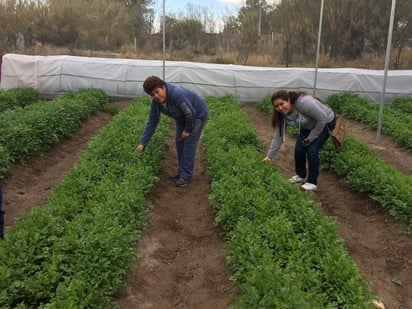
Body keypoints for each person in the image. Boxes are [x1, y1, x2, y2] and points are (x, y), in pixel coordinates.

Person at [136, 76, 208, 187]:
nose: (156, 96)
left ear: (163, 87)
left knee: (189, 143)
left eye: (157, 92)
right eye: (152, 95)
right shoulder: (156, 103)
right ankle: (181, 172)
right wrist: (143, 142)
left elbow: (191, 113)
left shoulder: (176, 94)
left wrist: (187, 130)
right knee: (179, 142)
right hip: (181, 117)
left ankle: (186, 176)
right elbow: (152, 121)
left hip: (197, 115)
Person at [262, 90, 336, 191]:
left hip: (325, 122)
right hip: (307, 125)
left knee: (312, 151)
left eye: (281, 104)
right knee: (299, 150)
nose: (279, 108)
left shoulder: (303, 103)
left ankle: (312, 182)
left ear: (288, 100)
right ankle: (300, 176)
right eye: (276, 106)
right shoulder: (281, 114)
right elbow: (279, 135)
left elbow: (322, 118)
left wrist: (311, 138)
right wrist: (270, 156)